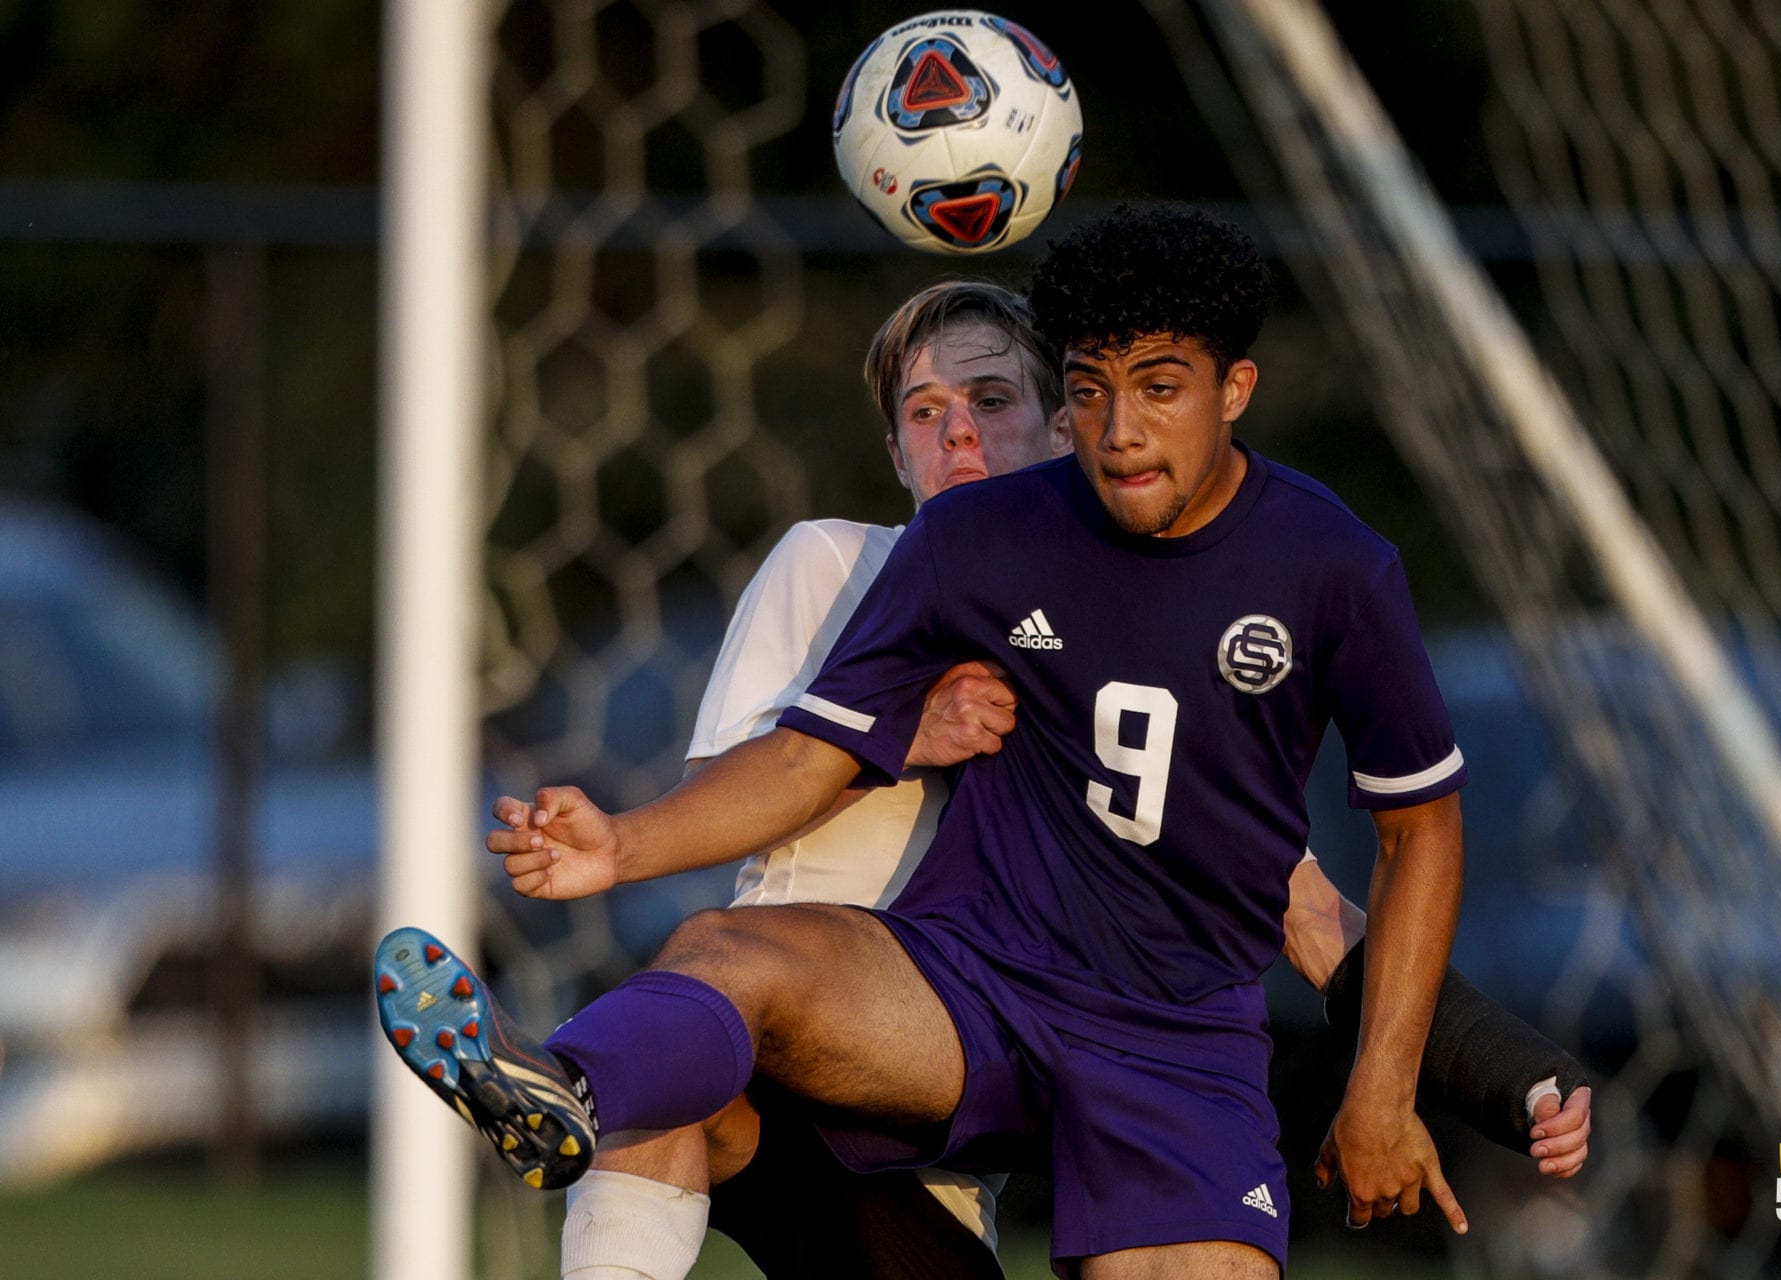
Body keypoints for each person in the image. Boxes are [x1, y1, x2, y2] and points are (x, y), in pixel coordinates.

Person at [378, 213, 1586, 1278]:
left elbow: (1386, 859)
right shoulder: (951, 549)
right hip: (962, 992)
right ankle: (565, 1086)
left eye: (1158, 386)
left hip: (1171, 1049)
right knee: (719, 960)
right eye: (1096, 388)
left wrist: (1456, 1080)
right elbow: (805, 757)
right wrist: (620, 846)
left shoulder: (1332, 567)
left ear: (1236, 389)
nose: (1121, 430)